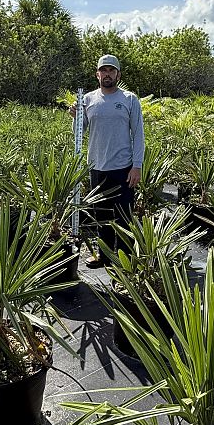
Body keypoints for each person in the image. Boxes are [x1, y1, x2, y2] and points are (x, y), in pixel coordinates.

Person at [70, 54, 145, 268]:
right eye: (104, 70)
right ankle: (103, 256)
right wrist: (75, 117)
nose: (107, 74)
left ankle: (124, 261)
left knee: (123, 218)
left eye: (112, 71)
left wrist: (137, 166)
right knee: (100, 216)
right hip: (97, 168)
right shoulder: (88, 99)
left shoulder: (129, 99)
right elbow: (79, 133)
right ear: (97, 74)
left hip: (123, 169)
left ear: (118, 74)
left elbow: (138, 134)